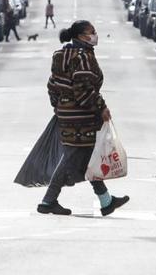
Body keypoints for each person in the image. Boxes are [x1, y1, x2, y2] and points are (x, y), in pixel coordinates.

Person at [38, 20, 129, 216]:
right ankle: (48, 201)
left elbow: (52, 85)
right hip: (82, 116)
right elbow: (84, 90)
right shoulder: (83, 57)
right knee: (72, 157)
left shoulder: (60, 55)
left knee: (88, 156)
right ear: (80, 36)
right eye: (92, 32)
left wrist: (60, 106)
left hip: (66, 114)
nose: (95, 35)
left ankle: (106, 201)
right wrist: (101, 108)